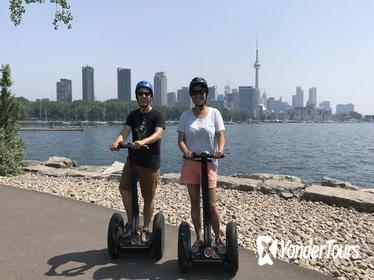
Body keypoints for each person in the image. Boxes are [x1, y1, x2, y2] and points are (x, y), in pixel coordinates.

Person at [110, 80, 165, 243]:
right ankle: (132, 221)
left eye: (146, 93)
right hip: (133, 161)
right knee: (124, 189)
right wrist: (117, 142)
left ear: (151, 97)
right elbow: (124, 132)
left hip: (150, 163)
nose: (143, 96)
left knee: (148, 198)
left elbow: (158, 134)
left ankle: (146, 228)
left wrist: (143, 142)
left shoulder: (157, 115)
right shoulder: (133, 115)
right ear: (137, 96)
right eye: (140, 93)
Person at [177, 77, 225, 253]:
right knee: (195, 203)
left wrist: (220, 150)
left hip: (209, 163)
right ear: (191, 95)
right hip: (191, 163)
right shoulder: (185, 115)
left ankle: (218, 238)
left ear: (206, 94)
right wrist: (186, 151)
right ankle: (198, 237)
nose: (198, 95)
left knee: (211, 205)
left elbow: (220, 135)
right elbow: (181, 140)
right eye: (195, 92)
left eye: (201, 92)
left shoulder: (215, 113)